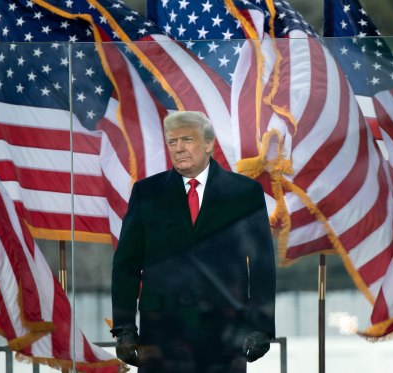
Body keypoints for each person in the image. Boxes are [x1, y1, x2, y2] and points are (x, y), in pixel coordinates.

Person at [110, 111, 276, 373]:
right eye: (172, 142)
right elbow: (126, 265)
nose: (178, 149)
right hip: (161, 334)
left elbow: (261, 265)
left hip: (224, 333)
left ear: (208, 144)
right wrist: (124, 328)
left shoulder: (245, 193)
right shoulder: (147, 192)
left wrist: (261, 327)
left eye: (187, 140)